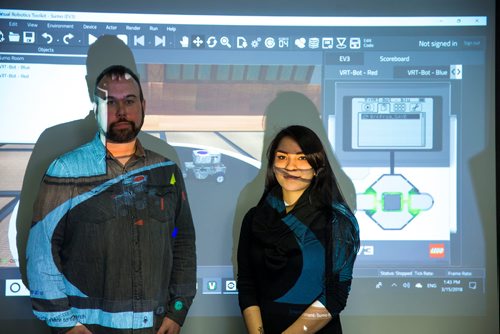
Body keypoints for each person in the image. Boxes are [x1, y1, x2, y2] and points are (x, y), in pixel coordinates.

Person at [26, 65, 196, 334]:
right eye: (109, 102)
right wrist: (65, 324)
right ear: (95, 108)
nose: (121, 111)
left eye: (129, 101)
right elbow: (42, 253)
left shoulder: (166, 170)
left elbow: (182, 240)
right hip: (88, 328)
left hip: (153, 326)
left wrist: (177, 312)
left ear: (143, 105)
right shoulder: (66, 169)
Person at [237, 125, 359, 334]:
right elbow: (247, 284)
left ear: (317, 166)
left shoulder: (336, 221)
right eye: (282, 157)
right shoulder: (253, 218)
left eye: (302, 158)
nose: (290, 167)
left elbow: (335, 295)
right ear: (273, 164)